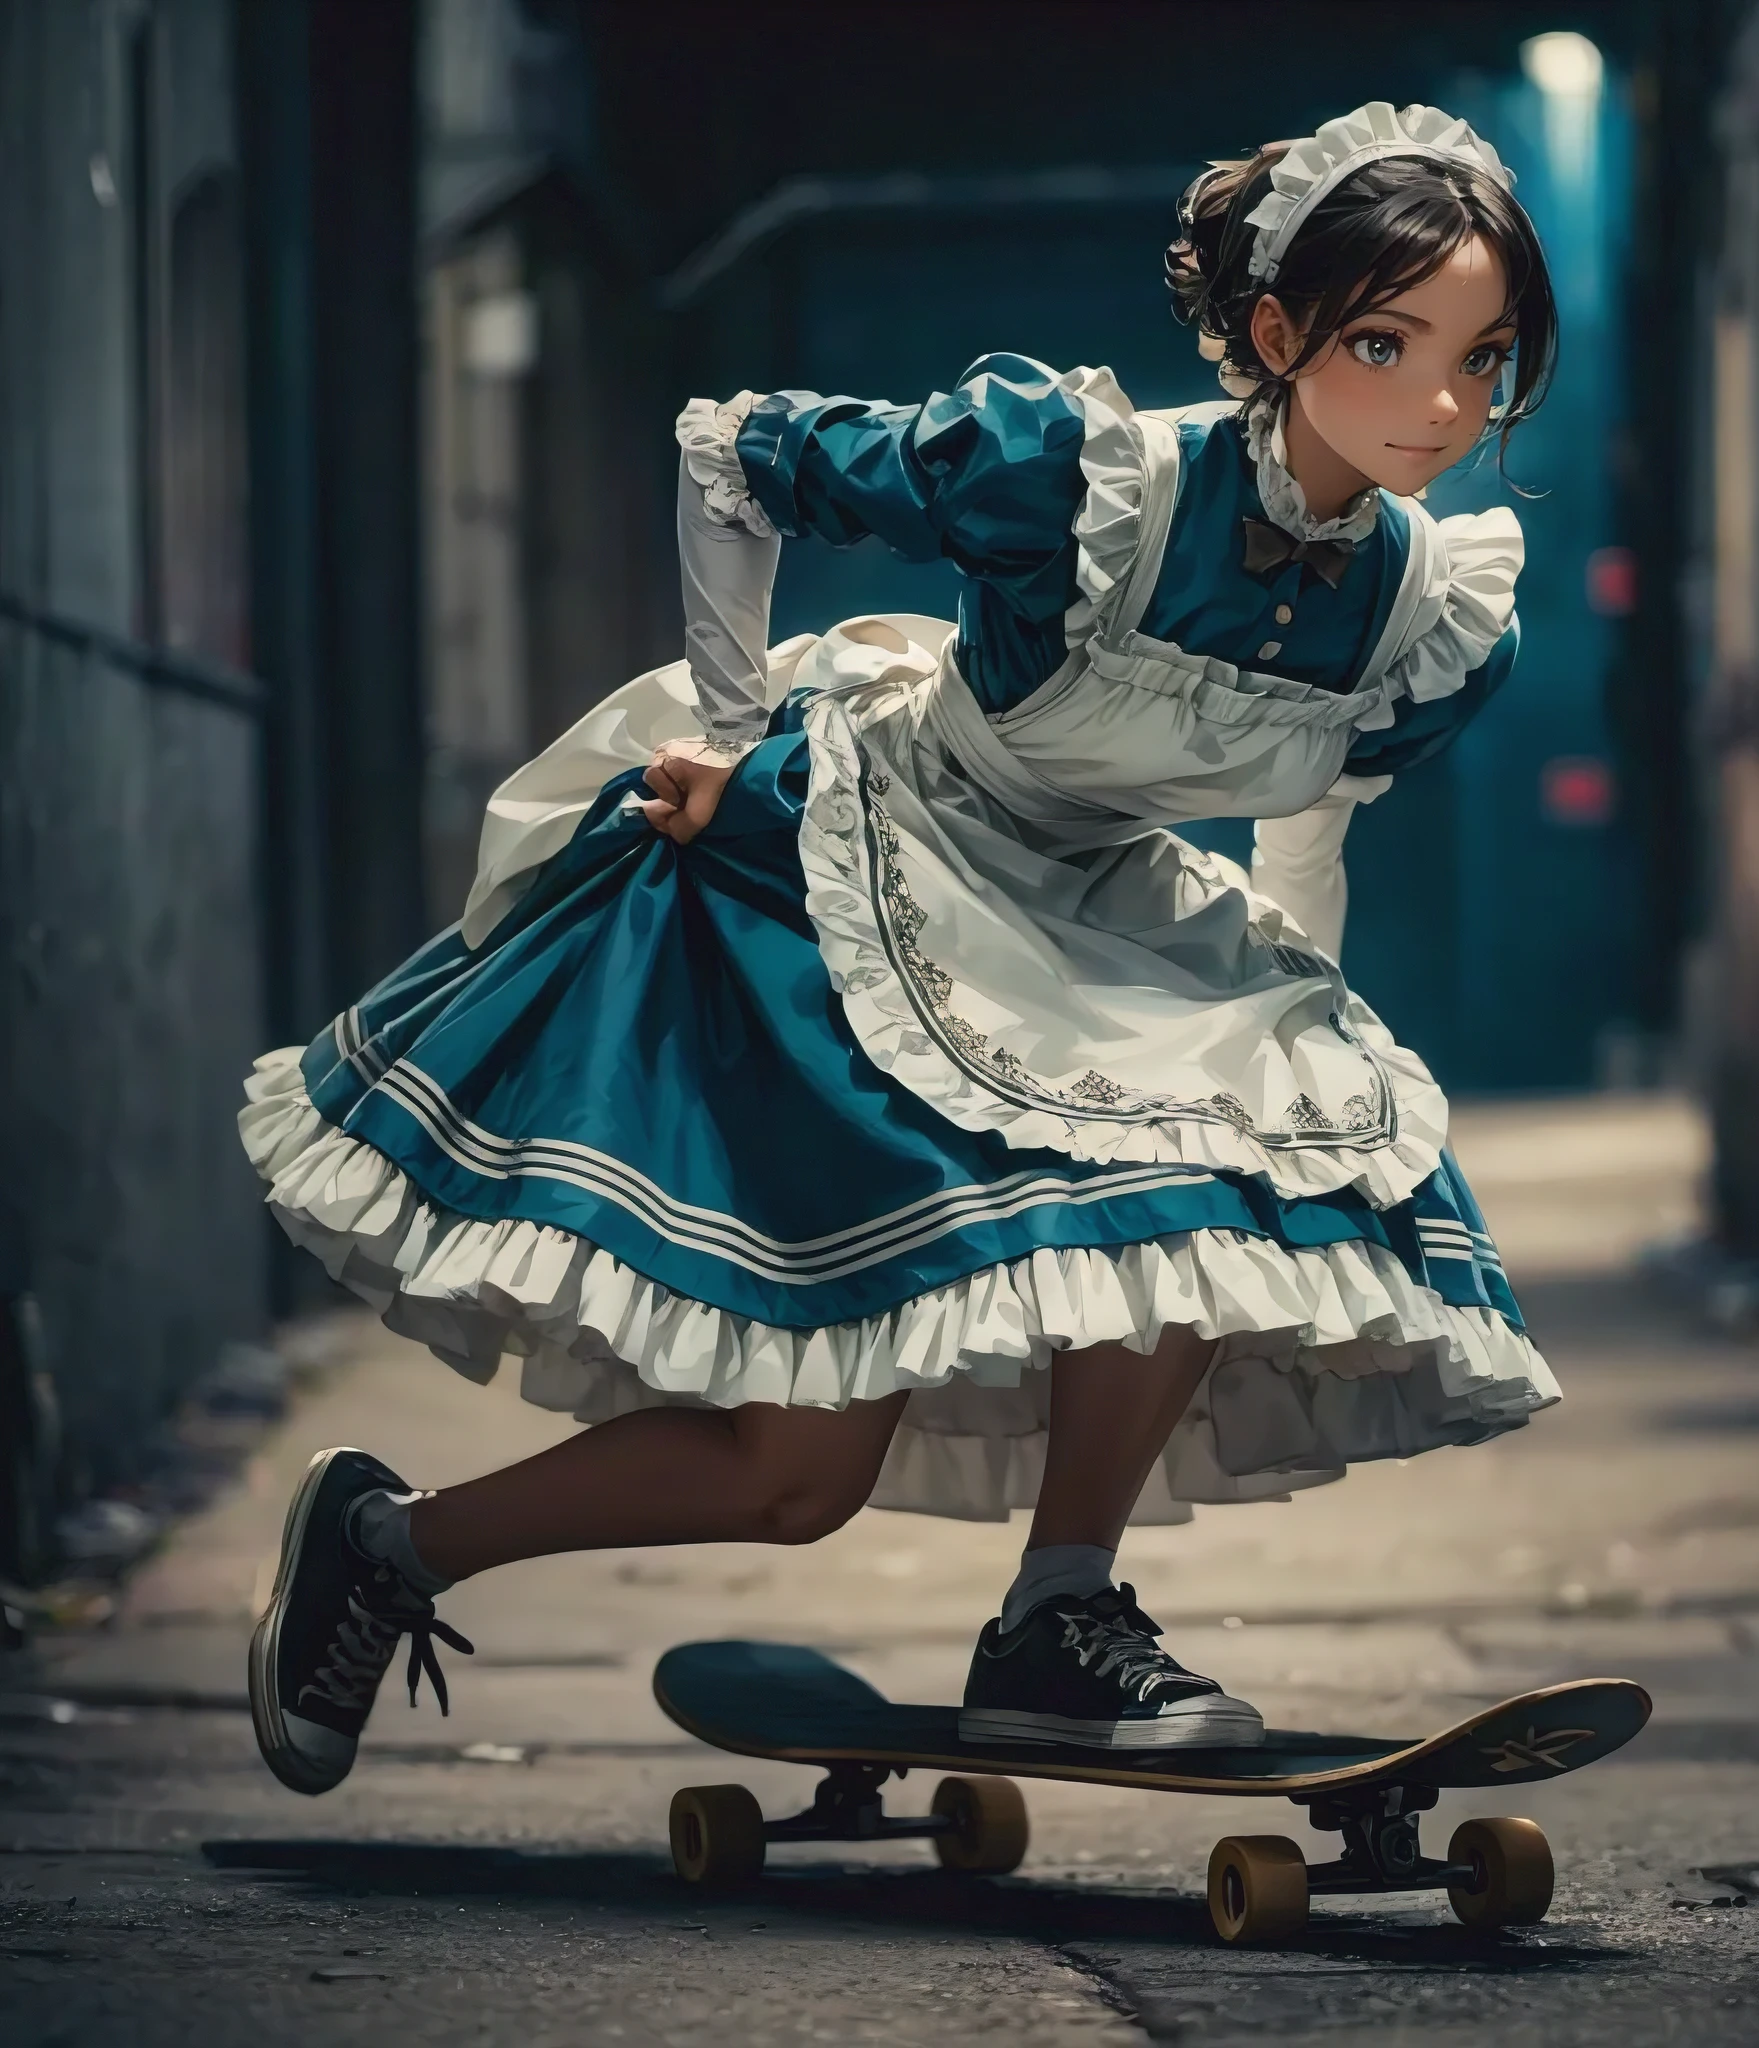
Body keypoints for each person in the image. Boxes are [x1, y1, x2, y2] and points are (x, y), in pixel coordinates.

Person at [244, 99, 1564, 1795]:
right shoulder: (1075, 477)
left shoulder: (1433, 610)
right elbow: (738, 451)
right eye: (1394, 344)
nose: (1446, 405)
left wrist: (1276, 1036)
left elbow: (1316, 812)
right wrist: (727, 734)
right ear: (1275, 332)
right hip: (885, 872)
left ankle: (1058, 1612)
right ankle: (391, 1543)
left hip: (1101, 901)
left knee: (1228, 1146)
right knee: (799, 1482)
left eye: (1487, 358)